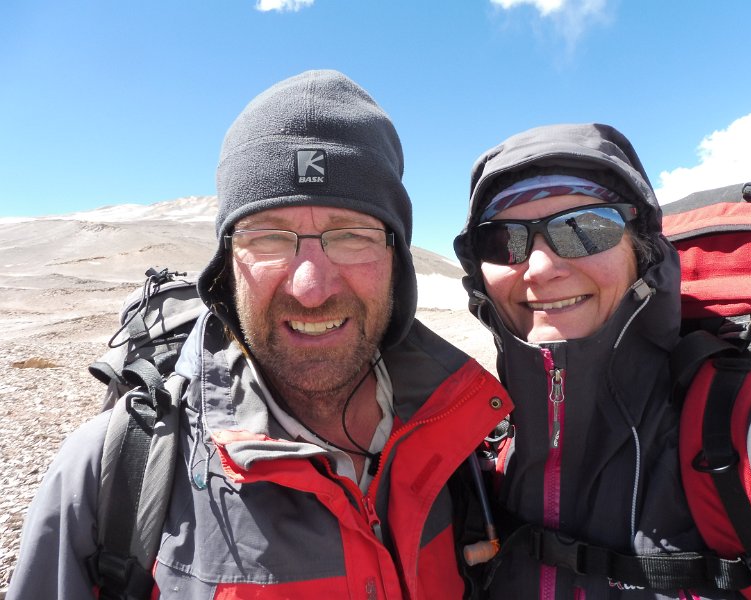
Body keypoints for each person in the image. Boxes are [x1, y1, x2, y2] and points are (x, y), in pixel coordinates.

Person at [8, 70, 511, 600]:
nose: (311, 288)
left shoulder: (462, 439)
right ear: (226, 266)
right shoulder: (103, 476)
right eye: (268, 237)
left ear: (396, 261)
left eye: (351, 235)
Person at [453, 123, 751, 598]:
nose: (540, 268)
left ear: (643, 253)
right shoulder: (473, 446)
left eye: (584, 228)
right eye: (503, 241)